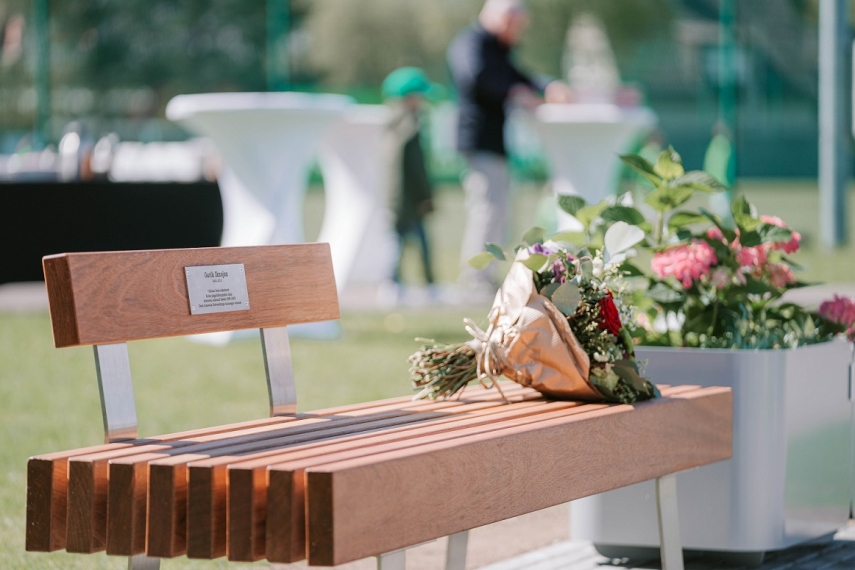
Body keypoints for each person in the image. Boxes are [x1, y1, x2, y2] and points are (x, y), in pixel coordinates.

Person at [447, 0, 571, 296]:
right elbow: (478, 78)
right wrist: (517, 92)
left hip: (493, 140)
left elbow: (515, 74)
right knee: (488, 208)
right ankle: (475, 279)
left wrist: (545, 85)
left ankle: (483, 276)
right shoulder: (472, 43)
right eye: (516, 26)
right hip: (479, 139)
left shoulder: (495, 50)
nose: (517, 33)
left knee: (496, 208)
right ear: (504, 19)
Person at [380, 67, 440, 304]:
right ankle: (424, 286)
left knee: (399, 242)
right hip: (409, 201)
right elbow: (414, 170)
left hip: (398, 200)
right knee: (413, 243)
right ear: (409, 97)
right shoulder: (409, 128)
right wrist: (425, 196)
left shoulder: (393, 126)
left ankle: (394, 284)